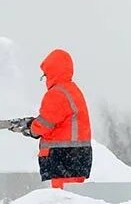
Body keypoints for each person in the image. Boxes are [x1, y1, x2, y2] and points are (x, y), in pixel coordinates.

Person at [10, 48, 93, 189]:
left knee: (62, 201)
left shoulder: (57, 93)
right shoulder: (73, 90)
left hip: (63, 156)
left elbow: (45, 124)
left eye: (46, 75)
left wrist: (32, 129)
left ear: (52, 72)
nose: (46, 79)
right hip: (78, 156)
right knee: (75, 197)